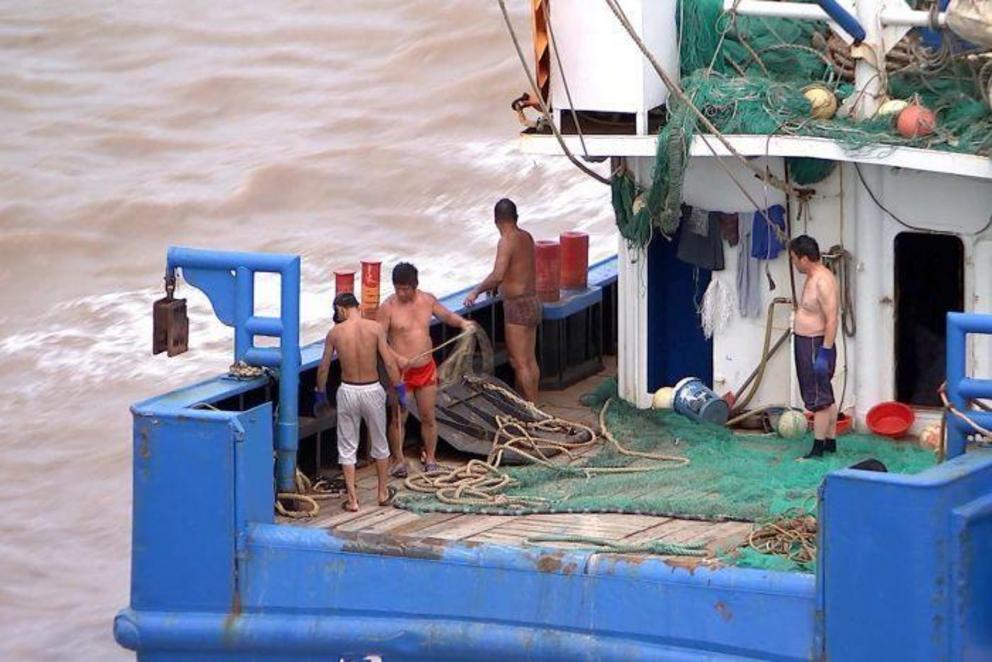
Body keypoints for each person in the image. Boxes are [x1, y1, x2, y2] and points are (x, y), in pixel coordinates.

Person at [377, 262, 474, 476]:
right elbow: (380, 341)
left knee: (428, 416)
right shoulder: (387, 308)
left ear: (415, 285)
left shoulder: (427, 300)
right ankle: (398, 459)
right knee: (398, 418)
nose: (401, 293)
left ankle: (430, 457)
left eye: (405, 288)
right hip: (401, 373)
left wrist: (462, 324)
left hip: (425, 369)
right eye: (397, 288)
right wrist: (398, 358)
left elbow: (447, 316)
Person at [315, 293, 404, 512]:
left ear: (341, 309)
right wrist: (400, 389)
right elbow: (389, 363)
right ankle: (382, 493)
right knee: (380, 443)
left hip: (348, 391)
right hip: (373, 389)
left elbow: (324, 367)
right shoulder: (374, 329)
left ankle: (353, 500)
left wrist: (320, 393)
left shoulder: (335, 333)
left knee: (347, 446)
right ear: (358, 307)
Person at [463, 198, 541, 402]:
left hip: (516, 305)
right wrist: (499, 283)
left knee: (519, 362)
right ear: (516, 217)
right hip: (533, 300)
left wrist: (476, 291)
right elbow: (518, 269)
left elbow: (498, 274)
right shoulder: (527, 236)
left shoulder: (506, 240)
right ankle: (533, 404)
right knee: (530, 360)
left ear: (496, 220)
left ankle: (532, 410)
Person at [789, 235, 840, 459]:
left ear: (805, 259)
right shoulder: (811, 277)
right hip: (806, 342)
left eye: (794, 259)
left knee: (819, 398)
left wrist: (825, 353)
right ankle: (830, 441)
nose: (793, 263)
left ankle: (818, 449)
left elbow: (832, 319)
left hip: (815, 343)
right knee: (825, 394)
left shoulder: (823, 280)